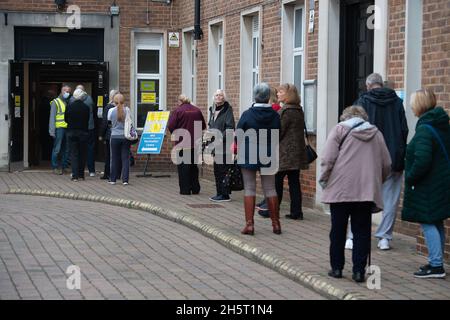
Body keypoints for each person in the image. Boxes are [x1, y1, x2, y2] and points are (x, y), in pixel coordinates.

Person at [319, 106, 391, 283]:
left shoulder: (339, 129)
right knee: (362, 231)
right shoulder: (376, 133)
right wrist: (376, 182)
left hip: (340, 189)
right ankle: (359, 271)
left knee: (338, 230)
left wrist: (324, 179)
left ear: (345, 117)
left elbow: (327, 159)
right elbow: (387, 163)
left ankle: (336, 268)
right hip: (365, 192)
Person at [353, 73, 409, 251]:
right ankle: (384, 237)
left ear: (369, 85)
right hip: (393, 157)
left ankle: (353, 235)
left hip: (369, 157)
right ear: (381, 84)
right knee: (390, 199)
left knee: (361, 197)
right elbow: (404, 130)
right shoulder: (397, 102)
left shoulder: (363, 102)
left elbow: (356, 130)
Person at [402, 89, 450, 279]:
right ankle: (437, 262)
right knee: (436, 221)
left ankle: (436, 265)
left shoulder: (424, 129)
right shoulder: (442, 125)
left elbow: (422, 160)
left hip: (428, 185)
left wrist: (411, 176)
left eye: (413, 103)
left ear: (419, 105)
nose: (411, 107)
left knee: (428, 221)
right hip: (441, 182)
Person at [237, 83, 282, 235]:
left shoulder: (247, 114)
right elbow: (279, 134)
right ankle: (276, 224)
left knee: (249, 187)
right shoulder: (275, 115)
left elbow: (238, 134)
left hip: (249, 152)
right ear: (268, 97)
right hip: (268, 153)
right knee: (270, 188)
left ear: (254, 96)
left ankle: (249, 225)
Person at [168, 95, 206, 195]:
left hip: (182, 143)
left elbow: (171, 125)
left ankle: (185, 190)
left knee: (183, 167)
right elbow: (203, 125)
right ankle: (195, 188)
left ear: (180, 101)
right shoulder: (197, 110)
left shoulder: (178, 111)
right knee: (193, 166)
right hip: (195, 143)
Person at [257, 86, 282, 216]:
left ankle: (269, 206)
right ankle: (266, 202)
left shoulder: (274, 110)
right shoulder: (274, 109)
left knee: (270, 180)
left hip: (270, 147)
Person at [208, 89, 236, 202]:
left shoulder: (227, 110)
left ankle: (225, 195)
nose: (218, 97)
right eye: (216, 95)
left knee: (223, 170)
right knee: (217, 170)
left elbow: (230, 128)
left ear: (224, 97)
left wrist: (218, 137)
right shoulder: (213, 109)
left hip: (224, 145)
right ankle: (219, 193)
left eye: (220, 95)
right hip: (216, 145)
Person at [65, 89, 90, 182]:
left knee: (74, 154)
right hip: (83, 132)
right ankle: (81, 175)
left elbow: (65, 119)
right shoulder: (86, 107)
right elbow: (87, 120)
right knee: (82, 154)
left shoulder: (69, 106)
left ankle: (75, 175)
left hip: (72, 132)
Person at [72, 85, 97, 177]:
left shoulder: (72, 101)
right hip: (90, 127)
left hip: (79, 128)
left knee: (76, 150)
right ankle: (91, 170)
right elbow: (93, 111)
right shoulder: (90, 99)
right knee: (90, 149)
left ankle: (75, 171)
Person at [108, 93, 132, 185]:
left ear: (114, 101)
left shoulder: (111, 111)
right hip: (125, 137)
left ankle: (113, 179)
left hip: (114, 137)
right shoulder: (127, 110)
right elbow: (130, 122)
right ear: (123, 101)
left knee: (114, 158)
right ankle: (125, 180)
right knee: (125, 159)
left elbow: (109, 123)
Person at [49, 85, 72, 175]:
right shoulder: (56, 102)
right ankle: (55, 167)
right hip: (59, 128)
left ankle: (64, 166)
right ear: (62, 91)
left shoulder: (69, 101)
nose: (68, 93)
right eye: (66, 91)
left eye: (69, 91)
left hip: (67, 128)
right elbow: (52, 117)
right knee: (57, 149)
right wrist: (51, 130)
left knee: (66, 149)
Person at [100, 89, 119, 180]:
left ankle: (108, 173)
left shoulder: (108, 108)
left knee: (109, 155)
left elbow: (105, 122)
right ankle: (118, 174)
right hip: (121, 134)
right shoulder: (122, 107)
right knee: (117, 155)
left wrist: (101, 134)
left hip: (110, 134)